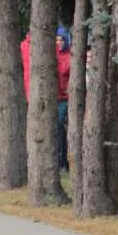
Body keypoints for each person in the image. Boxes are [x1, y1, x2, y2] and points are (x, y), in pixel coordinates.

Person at [55, 26, 72, 171]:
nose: (59, 42)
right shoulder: (52, 55)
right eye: (57, 39)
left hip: (65, 98)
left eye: (61, 39)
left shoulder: (69, 56)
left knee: (61, 128)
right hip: (54, 97)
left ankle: (63, 162)